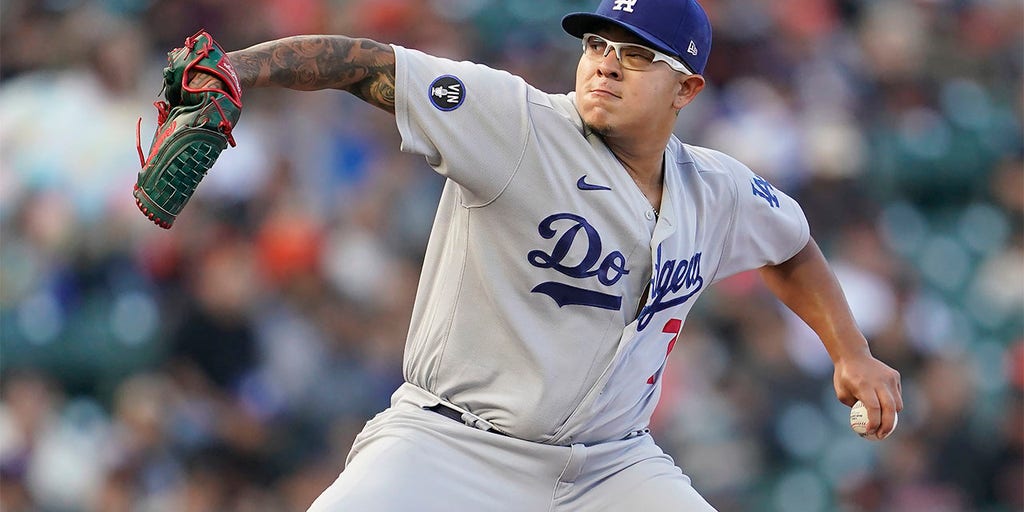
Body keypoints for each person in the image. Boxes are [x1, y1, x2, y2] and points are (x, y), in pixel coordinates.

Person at [189, 0, 903, 509]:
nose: (605, 66)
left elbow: (793, 249)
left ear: (686, 88)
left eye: (635, 55)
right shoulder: (516, 122)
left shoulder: (716, 190)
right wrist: (240, 69)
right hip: (452, 447)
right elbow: (366, 64)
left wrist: (850, 351)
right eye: (597, 45)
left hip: (612, 466)